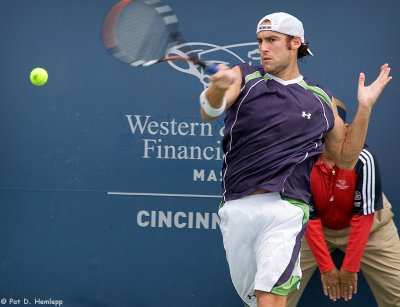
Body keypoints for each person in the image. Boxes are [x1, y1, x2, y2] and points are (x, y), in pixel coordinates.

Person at [198, 12, 392, 307]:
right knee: (253, 299)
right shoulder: (244, 76)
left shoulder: (319, 98)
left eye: (272, 40)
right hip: (237, 207)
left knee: (272, 298)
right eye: (260, 41)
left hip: (285, 208)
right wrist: (216, 89)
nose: (263, 48)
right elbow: (210, 111)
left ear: (295, 43)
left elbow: (346, 157)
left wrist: (364, 108)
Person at [286, 105, 400, 307]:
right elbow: (308, 218)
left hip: (371, 229)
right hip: (310, 231)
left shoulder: (364, 157)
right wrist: (327, 268)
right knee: (276, 295)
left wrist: (349, 267)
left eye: (328, 130)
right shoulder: (300, 160)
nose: (321, 137)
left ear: (346, 129)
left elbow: (363, 217)